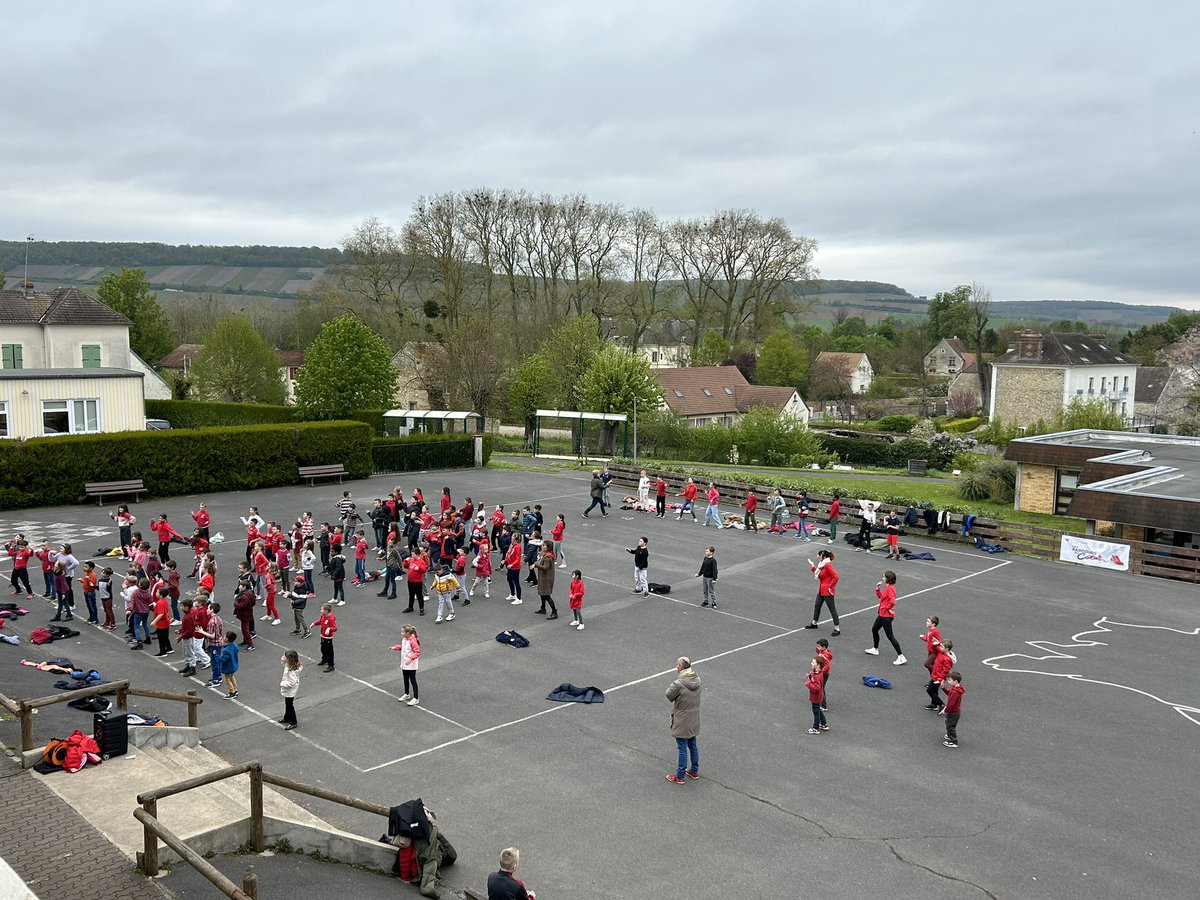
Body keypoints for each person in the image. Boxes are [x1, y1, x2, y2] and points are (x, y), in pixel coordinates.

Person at [665, 656, 701, 784]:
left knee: (682, 747)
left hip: (682, 719)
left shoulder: (678, 684)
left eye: (677, 665)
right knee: (693, 744)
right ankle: (694, 771)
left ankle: (680, 776)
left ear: (680, 667)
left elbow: (669, 695)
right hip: (694, 717)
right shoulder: (697, 679)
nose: (676, 667)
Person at [865, 570, 905, 665]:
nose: (883, 578)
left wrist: (886, 608)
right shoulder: (888, 588)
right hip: (882, 614)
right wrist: (877, 588)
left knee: (890, 636)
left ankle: (901, 656)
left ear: (888, 579)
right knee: (874, 629)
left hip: (886, 616)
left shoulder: (890, 589)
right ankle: (875, 649)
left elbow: (893, 601)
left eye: (884, 577)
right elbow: (881, 597)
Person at [805, 550, 841, 635]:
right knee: (817, 606)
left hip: (827, 591)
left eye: (820, 555)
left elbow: (836, 576)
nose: (818, 556)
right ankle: (814, 623)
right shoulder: (822, 565)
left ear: (824, 557)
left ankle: (837, 628)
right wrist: (812, 566)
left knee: (832, 610)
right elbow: (819, 574)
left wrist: (830, 586)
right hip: (821, 590)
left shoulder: (827, 565)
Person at [390, 623, 421, 706]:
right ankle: (407, 693)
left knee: (412, 680)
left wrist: (410, 658)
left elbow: (417, 652)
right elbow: (403, 647)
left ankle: (416, 698)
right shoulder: (405, 639)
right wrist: (395, 647)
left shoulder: (413, 641)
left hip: (411, 665)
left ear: (408, 633)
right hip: (404, 664)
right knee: (405, 678)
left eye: (403, 632)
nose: (401, 633)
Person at [925, 639, 954, 711]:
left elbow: (946, 671)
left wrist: (940, 679)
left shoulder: (947, 659)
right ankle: (934, 704)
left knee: (930, 690)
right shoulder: (941, 652)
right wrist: (935, 644)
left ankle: (941, 704)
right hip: (935, 675)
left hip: (938, 678)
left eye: (941, 646)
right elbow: (934, 649)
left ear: (946, 649)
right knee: (934, 690)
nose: (940, 647)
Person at [940, 672, 964, 748]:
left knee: (950, 726)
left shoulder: (955, 692)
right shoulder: (956, 689)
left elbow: (951, 704)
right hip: (955, 712)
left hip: (953, 712)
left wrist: (945, 710)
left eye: (950, 680)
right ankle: (949, 735)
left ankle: (953, 741)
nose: (948, 681)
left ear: (955, 681)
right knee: (948, 723)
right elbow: (949, 693)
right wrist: (943, 688)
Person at [533, 545, 558, 619]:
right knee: (542, 594)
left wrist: (536, 565)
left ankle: (554, 611)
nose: (542, 546)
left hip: (546, 579)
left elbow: (545, 568)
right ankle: (543, 608)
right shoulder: (547, 555)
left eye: (544, 545)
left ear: (547, 547)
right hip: (545, 578)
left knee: (546, 595)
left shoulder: (547, 557)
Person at [280, 649, 302, 730]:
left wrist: (283, 684)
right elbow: (283, 663)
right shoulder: (289, 664)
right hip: (289, 690)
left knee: (290, 705)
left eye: (285, 657)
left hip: (290, 690)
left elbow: (292, 682)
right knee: (288, 704)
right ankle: (287, 717)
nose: (284, 657)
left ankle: (293, 722)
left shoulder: (292, 671)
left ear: (289, 659)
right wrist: (283, 659)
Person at [806, 656, 827, 734]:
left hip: (816, 697)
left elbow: (816, 688)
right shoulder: (818, 673)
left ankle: (816, 728)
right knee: (818, 710)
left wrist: (808, 683)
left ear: (818, 665)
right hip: (818, 697)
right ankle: (824, 724)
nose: (811, 663)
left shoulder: (817, 676)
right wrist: (810, 676)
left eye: (813, 662)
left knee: (815, 712)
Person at [314, 602, 337, 672]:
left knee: (329, 651)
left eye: (322, 609)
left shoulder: (331, 619)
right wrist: (314, 623)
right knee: (323, 648)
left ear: (326, 611)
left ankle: (331, 665)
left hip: (328, 638)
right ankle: (325, 659)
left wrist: (329, 629)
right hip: (322, 636)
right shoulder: (323, 616)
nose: (320, 611)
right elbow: (321, 621)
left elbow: (335, 628)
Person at [219, 632, 240, 699]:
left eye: (224, 637)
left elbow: (223, 659)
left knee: (227, 679)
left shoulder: (226, 651)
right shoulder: (235, 646)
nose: (223, 637)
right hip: (234, 666)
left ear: (227, 639)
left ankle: (231, 691)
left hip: (229, 667)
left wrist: (218, 658)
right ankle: (235, 689)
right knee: (232, 677)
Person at [504, 536, 523, 606]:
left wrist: (512, 564)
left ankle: (519, 598)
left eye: (512, 538)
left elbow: (518, 558)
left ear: (516, 540)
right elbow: (509, 555)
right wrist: (505, 560)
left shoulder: (517, 547)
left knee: (516, 582)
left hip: (515, 567)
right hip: (510, 566)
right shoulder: (512, 546)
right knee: (509, 579)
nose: (511, 539)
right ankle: (512, 594)